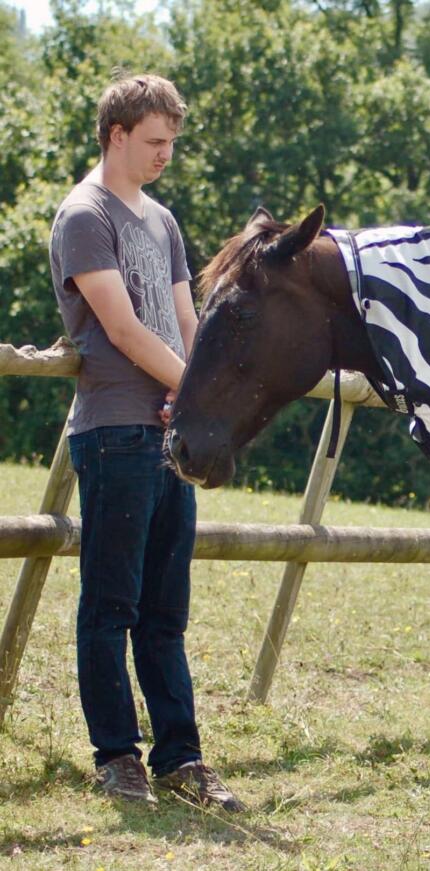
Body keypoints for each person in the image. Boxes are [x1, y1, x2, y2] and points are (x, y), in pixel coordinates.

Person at [48, 73, 243, 811]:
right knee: (111, 603)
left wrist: (200, 400)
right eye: (155, 142)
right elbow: (123, 329)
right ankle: (117, 755)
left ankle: (181, 757)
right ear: (117, 134)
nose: (166, 154)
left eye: (172, 143)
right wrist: (188, 392)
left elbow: (186, 323)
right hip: (115, 431)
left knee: (166, 609)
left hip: (168, 437)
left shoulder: (162, 220)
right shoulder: (82, 214)